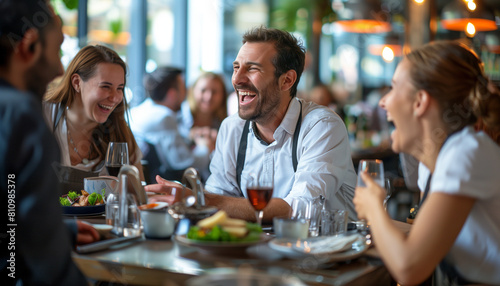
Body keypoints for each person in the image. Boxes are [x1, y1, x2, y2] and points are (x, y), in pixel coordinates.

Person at [147, 26, 358, 222]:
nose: (237, 80)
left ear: (287, 80)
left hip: (329, 254)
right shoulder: (232, 128)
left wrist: (202, 200)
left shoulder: (321, 126)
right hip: (259, 253)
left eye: (252, 69)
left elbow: (303, 208)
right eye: (236, 67)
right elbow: (219, 198)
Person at [353, 41, 500, 285]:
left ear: (420, 102)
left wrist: (374, 208)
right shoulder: (434, 164)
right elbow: (422, 242)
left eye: (393, 88)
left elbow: (409, 268)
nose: (383, 102)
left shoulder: (466, 153)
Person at [0, 0, 99, 284]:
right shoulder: (22, 118)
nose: (59, 70)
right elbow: (48, 268)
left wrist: (60, 231)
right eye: (57, 50)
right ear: (29, 46)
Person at [43, 44, 144, 191]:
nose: (115, 98)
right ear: (77, 83)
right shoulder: (43, 116)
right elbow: (11, 182)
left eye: (120, 88)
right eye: (105, 86)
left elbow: (138, 194)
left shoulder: (119, 131)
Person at [130, 67, 216, 183]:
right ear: (172, 94)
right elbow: (185, 163)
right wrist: (206, 147)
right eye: (182, 88)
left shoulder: (139, 110)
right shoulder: (164, 117)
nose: (185, 94)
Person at [179, 71, 228, 138]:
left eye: (214, 92)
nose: (209, 97)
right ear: (192, 91)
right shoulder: (178, 116)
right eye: (203, 90)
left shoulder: (225, 124)